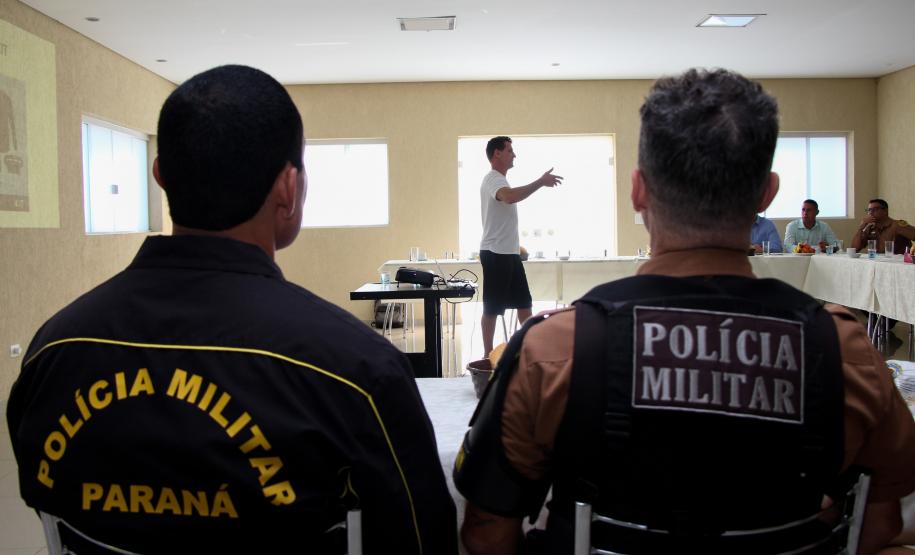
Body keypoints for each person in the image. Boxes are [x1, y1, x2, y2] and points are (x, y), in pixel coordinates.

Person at [454, 69, 915, 555]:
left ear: (638, 191)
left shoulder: (551, 353)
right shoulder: (847, 355)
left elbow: (486, 532)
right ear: (767, 193)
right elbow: (879, 522)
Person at [6, 65, 456, 555]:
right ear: (288, 187)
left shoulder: (53, 351)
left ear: (160, 175)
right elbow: (420, 537)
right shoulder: (355, 370)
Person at [477, 136, 563, 362]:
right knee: (492, 308)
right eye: (509, 151)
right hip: (495, 253)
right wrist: (540, 182)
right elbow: (510, 197)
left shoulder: (500, 180)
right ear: (497, 154)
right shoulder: (493, 180)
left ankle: (529, 351)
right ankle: (487, 356)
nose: (514, 155)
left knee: (524, 304)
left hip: (510, 254)